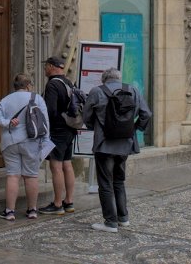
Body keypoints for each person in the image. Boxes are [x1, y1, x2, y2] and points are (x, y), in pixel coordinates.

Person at [82, 66, 151, 232]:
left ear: (104, 79)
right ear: (118, 78)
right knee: (119, 180)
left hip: (104, 144)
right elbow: (146, 114)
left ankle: (110, 222)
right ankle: (123, 218)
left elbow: (86, 116)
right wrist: (134, 129)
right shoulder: (132, 90)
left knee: (105, 183)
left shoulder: (97, 91)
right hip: (126, 143)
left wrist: (95, 127)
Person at [0, 73, 50, 220]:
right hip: (32, 141)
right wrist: (45, 142)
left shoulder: (6, 99)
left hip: (10, 141)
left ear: (15, 86)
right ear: (29, 85)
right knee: (31, 176)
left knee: (12, 175)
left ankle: (9, 211)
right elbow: (45, 122)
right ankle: (32, 210)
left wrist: (8, 122)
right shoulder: (37, 98)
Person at [40, 55, 78, 215]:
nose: (44, 69)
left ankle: (57, 204)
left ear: (51, 66)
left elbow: (50, 110)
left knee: (56, 166)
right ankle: (68, 201)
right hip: (70, 128)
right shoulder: (68, 82)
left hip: (57, 130)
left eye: (46, 66)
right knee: (67, 164)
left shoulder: (53, 85)